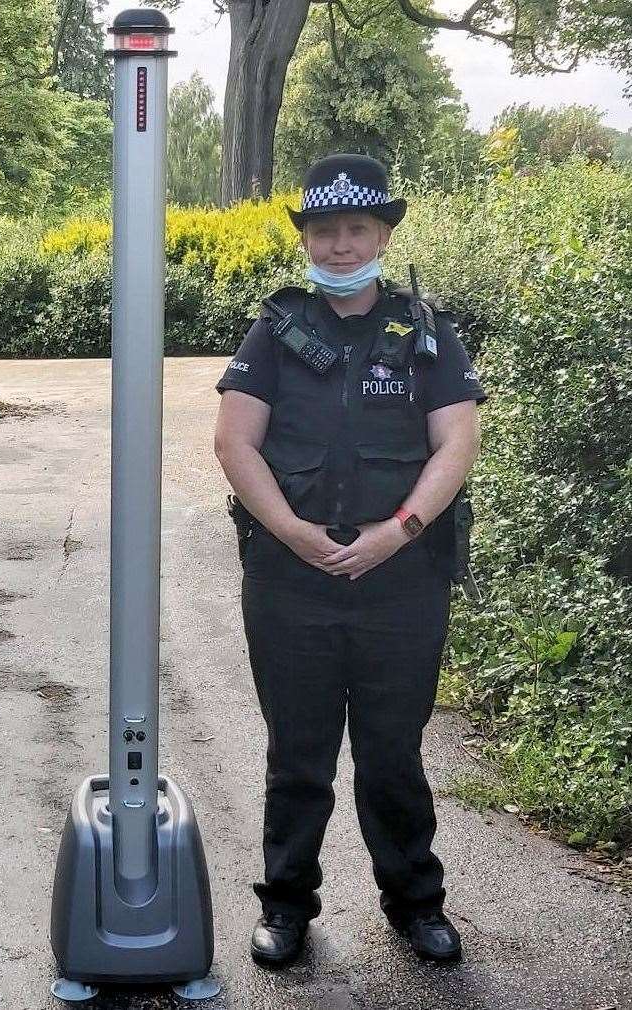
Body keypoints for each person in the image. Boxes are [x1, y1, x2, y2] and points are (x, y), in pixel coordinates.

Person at [214, 154, 485, 968]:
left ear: (383, 233)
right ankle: (287, 907)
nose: (339, 246)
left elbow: (456, 442)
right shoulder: (274, 329)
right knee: (296, 754)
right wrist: (294, 533)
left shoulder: (426, 332)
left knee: (392, 751)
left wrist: (397, 530)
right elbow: (234, 441)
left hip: (400, 575)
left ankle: (415, 904)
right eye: (324, 231)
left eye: (355, 230)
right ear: (306, 238)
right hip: (290, 576)